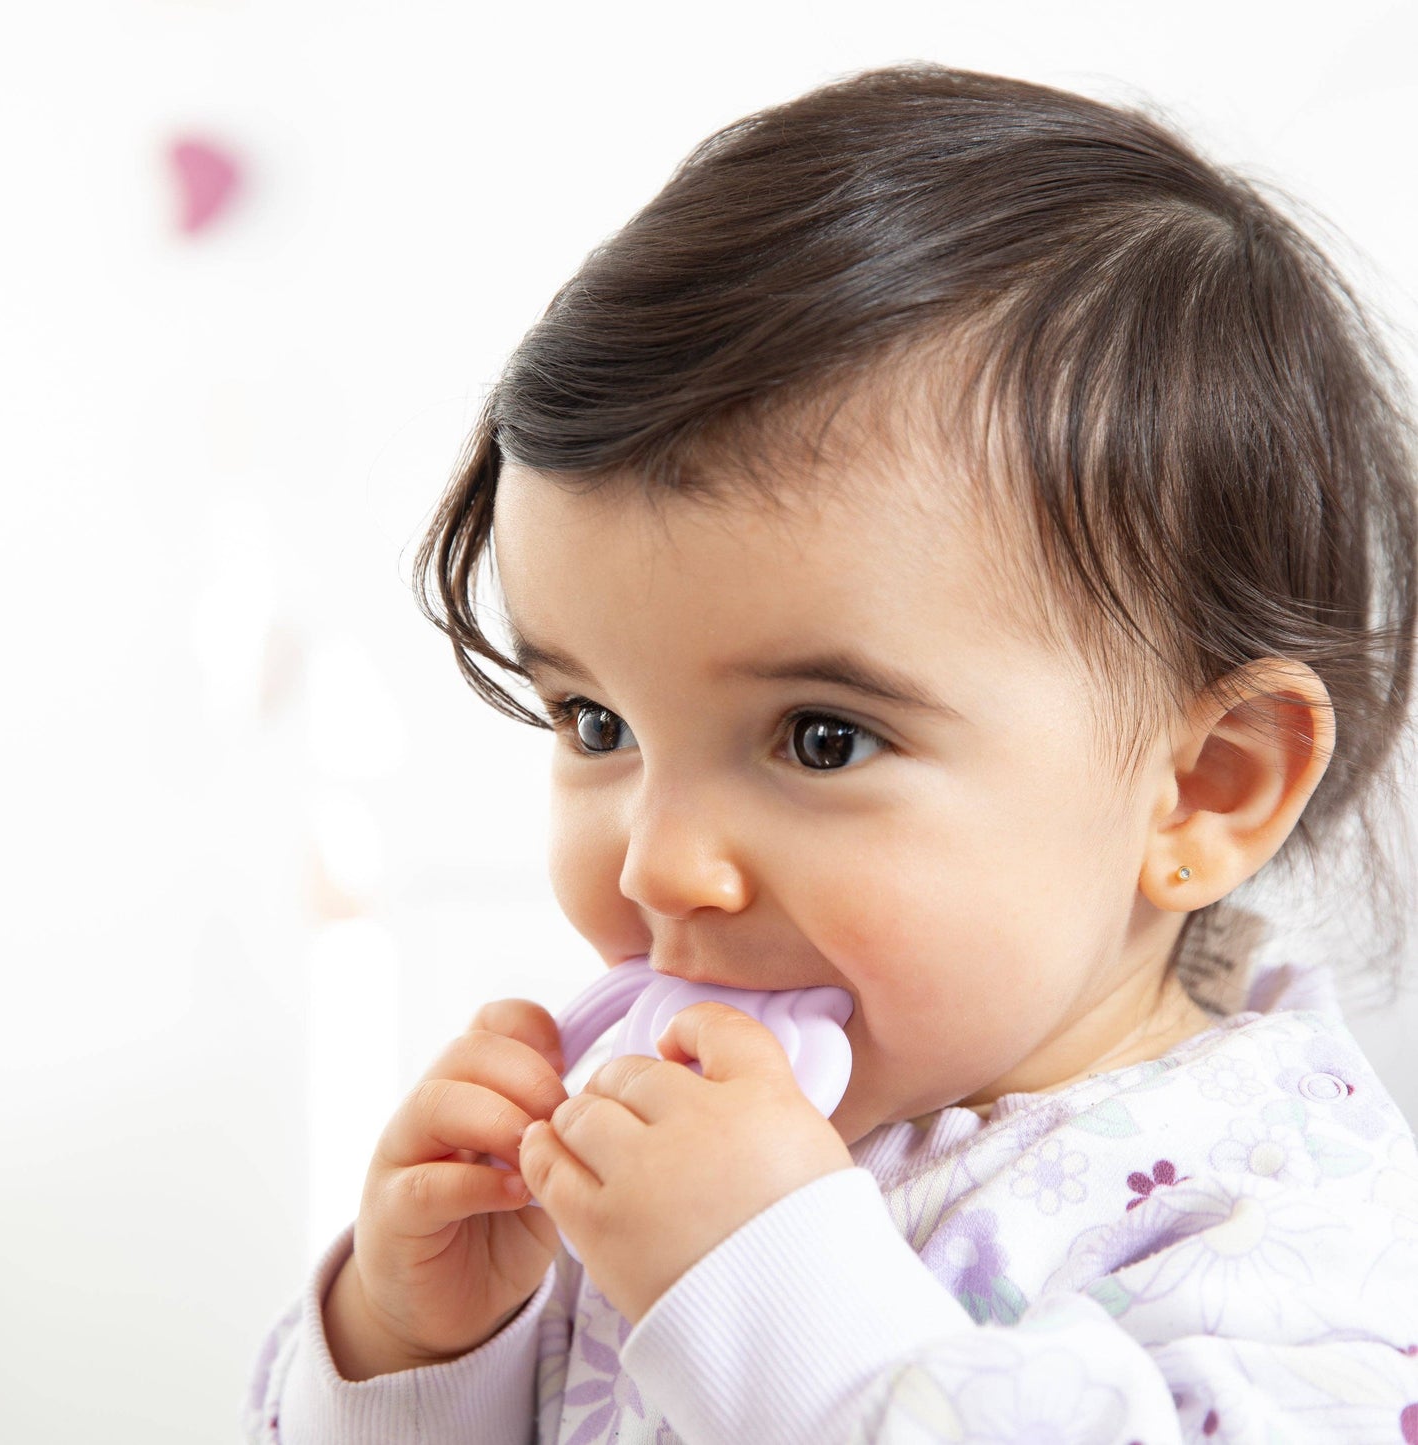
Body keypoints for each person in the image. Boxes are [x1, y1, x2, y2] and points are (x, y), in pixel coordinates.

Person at [246, 64, 1418, 1443]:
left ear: (1204, 789)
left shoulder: (1280, 1233)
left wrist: (769, 1297)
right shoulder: (650, 1136)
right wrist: (421, 1347)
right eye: (597, 723)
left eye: (821, 738)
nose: (660, 864)